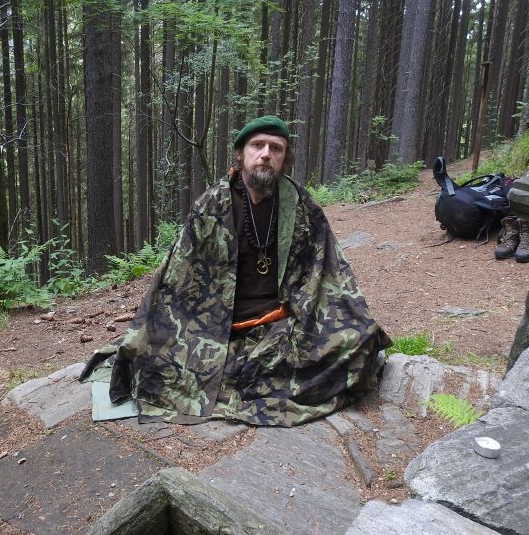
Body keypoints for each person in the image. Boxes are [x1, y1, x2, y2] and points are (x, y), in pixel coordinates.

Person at [80, 115, 391, 426]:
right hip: (219, 328)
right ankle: (261, 381)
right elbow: (174, 281)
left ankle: (251, 377)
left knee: (362, 339)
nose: (266, 154)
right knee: (154, 356)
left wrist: (307, 314)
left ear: (284, 159)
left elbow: (328, 274)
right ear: (241, 154)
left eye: (276, 148)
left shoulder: (303, 207)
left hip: (283, 324)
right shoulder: (210, 207)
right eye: (257, 146)